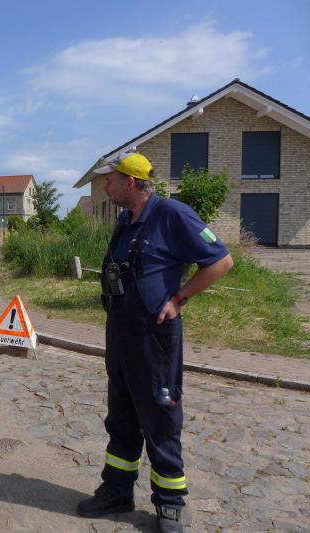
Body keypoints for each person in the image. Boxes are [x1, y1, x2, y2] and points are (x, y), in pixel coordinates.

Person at [76, 153, 234, 533]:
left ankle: (169, 506)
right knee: (122, 417)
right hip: (121, 334)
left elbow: (221, 261)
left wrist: (178, 299)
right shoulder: (125, 220)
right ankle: (117, 491)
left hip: (154, 338)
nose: (106, 186)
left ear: (130, 182)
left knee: (160, 420)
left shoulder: (172, 215)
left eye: (110, 180)